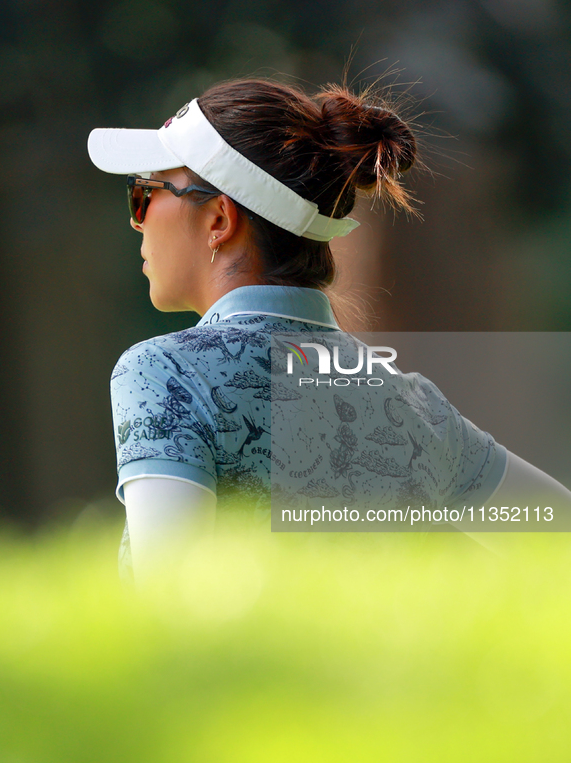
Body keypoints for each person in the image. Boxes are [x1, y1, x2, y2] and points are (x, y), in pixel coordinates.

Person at [88, 78, 571, 580]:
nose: (138, 222)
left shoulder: (163, 372)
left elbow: (165, 594)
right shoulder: (415, 405)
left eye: (144, 193)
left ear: (218, 218)